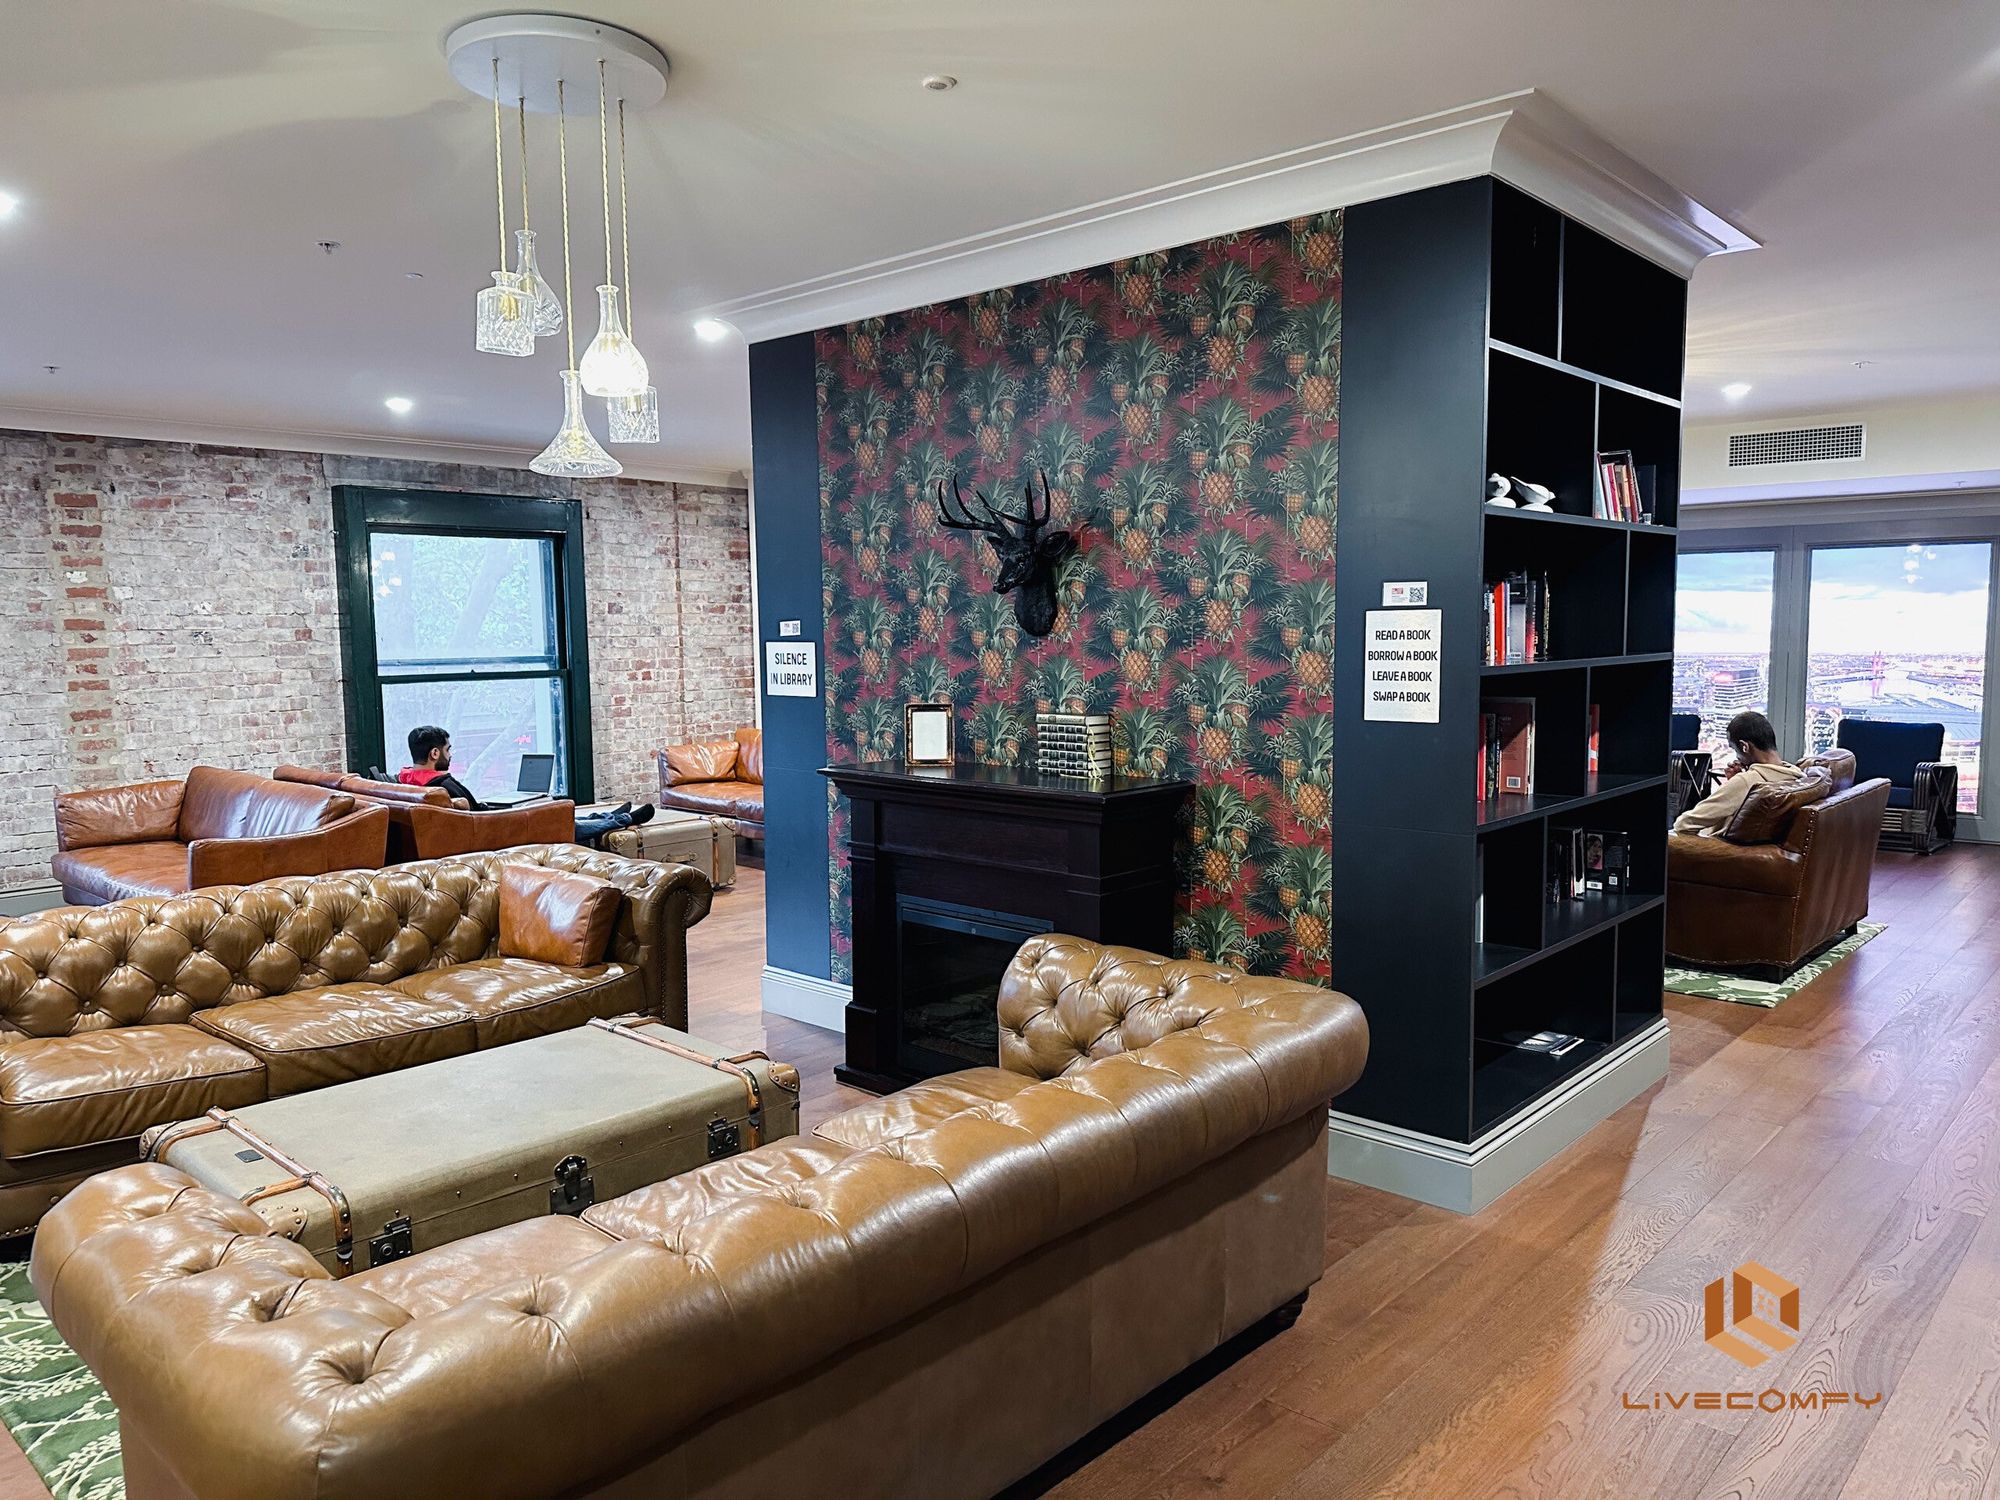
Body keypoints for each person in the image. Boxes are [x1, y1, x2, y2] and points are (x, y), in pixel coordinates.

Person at [398, 726, 654, 847]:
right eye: (447, 749)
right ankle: (623, 820)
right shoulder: (440, 786)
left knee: (554, 815)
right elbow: (474, 818)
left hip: (490, 822)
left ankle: (605, 815)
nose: (451, 754)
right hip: (495, 830)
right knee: (558, 821)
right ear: (434, 753)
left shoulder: (406, 782)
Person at [1671, 710, 1806, 838]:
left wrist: (1737, 783)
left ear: (1744, 746)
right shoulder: (1798, 777)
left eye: (1734, 749)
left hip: (1714, 848)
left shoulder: (1746, 782)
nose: (1737, 757)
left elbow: (1684, 824)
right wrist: (1734, 782)